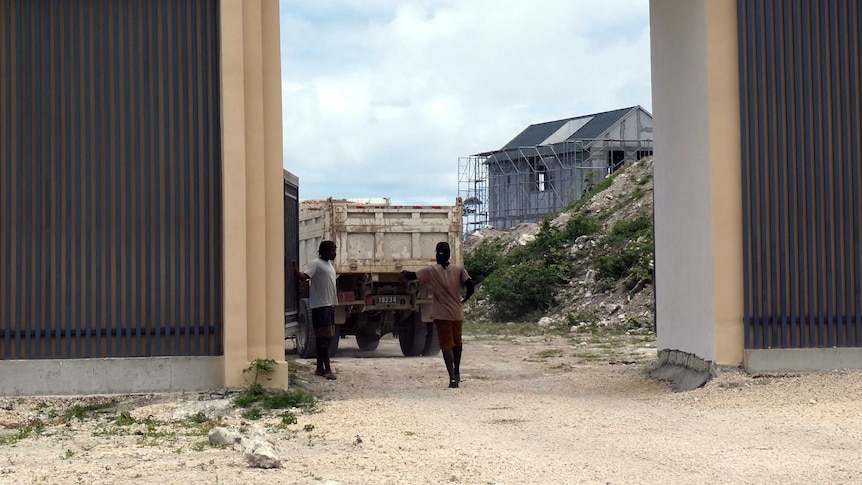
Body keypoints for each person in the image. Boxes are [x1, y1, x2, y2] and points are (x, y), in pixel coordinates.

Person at [402, 241, 474, 389]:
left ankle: (452, 378)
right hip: (457, 314)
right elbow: (471, 286)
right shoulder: (458, 269)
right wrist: (464, 299)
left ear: (436, 255)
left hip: (442, 315)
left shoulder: (431, 271)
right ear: (449, 254)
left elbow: (411, 276)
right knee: (457, 343)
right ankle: (457, 372)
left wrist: (401, 272)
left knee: (446, 345)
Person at [293, 240, 338, 380]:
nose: (334, 252)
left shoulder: (328, 264)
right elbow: (303, 277)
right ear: (323, 251)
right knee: (324, 339)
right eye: (331, 250)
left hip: (328, 305)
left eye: (334, 250)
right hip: (320, 306)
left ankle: (320, 368)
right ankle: (328, 369)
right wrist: (294, 269)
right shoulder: (316, 263)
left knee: (324, 338)